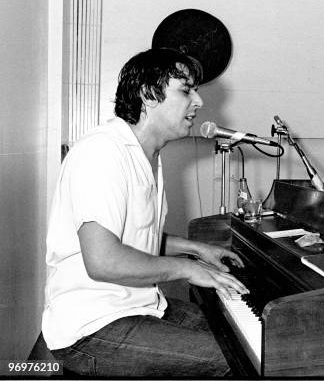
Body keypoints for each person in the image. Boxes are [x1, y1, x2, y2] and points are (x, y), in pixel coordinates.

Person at [42, 48, 249, 377]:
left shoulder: (147, 155)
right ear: (148, 95)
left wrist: (196, 249)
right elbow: (104, 260)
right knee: (240, 362)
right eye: (185, 90)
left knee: (241, 337)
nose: (198, 102)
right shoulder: (103, 152)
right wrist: (185, 268)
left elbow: (137, 235)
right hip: (92, 326)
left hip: (140, 305)